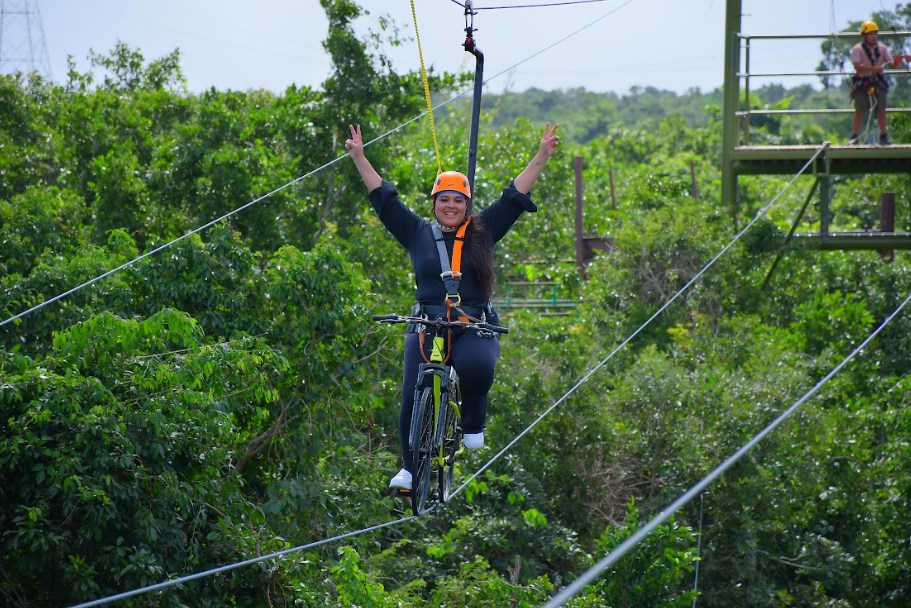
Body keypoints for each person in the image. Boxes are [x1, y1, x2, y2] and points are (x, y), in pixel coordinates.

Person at [345, 122, 560, 492]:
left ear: (467, 206)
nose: (450, 205)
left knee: (475, 366)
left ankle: (473, 421)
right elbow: (385, 200)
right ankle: (410, 469)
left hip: (473, 320)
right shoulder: (416, 232)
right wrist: (360, 158)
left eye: (458, 200)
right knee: (412, 391)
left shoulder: (484, 229)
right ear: (434, 203)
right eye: (443, 199)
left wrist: (541, 155)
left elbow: (514, 194)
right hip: (427, 323)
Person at [849, 20, 911, 145]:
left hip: (878, 83)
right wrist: (874, 69)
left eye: (875, 33)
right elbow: (857, 67)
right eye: (871, 34)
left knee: (881, 110)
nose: (874, 36)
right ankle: (854, 137)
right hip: (862, 83)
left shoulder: (882, 48)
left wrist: (900, 60)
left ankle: (883, 136)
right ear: (865, 35)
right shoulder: (858, 49)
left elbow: (892, 64)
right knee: (859, 110)